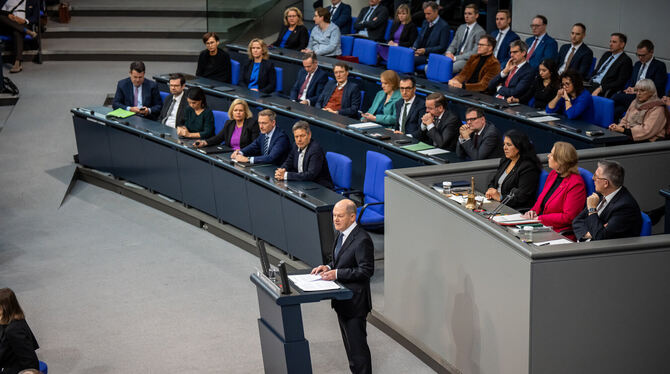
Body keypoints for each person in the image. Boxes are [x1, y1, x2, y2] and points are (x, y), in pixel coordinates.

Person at [311, 199, 374, 374]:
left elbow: (366, 271)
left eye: (340, 216)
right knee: (351, 351)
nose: (335, 220)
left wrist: (337, 274)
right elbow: (340, 260)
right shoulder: (341, 234)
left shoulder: (362, 240)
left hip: (355, 303)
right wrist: (329, 267)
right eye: (334, 216)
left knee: (358, 351)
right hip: (343, 301)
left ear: (352, 217)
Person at [523, 141, 586, 240]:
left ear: (560, 161)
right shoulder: (554, 174)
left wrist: (539, 219)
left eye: (552, 155)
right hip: (542, 226)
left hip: (559, 233)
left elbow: (568, 217)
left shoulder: (576, 184)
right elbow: (542, 199)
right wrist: (533, 211)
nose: (548, 156)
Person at [572, 160, 642, 241]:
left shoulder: (625, 207)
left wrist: (592, 209)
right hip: (586, 243)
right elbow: (577, 221)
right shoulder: (601, 194)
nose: (592, 178)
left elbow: (601, 237)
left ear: (606, 183)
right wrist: (589, 234)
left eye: (596, 176)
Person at [611, 40, 667, 121]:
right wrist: (630, 88)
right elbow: (632, 82)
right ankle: (614, 130)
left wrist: (636, 90)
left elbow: (658, 86)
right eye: (638, 55)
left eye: (643, 55)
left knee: (615, 97)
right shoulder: (637, 64)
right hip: (633, 96)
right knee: (617, 110)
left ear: (651, 52)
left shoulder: (659, 66)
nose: (640, 57)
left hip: (647, 97)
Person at [485, 130, 542, 210]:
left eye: (509, 145)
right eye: (504, 144)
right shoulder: (505, 160)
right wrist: (491, 190)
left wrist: (500, 197)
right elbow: (493, 182)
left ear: (519, 147)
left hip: (512, 208)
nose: (504, 148)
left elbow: (522, 197)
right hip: (496, 203)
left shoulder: (528, 167)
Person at [274, 121, 334, 188]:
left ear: (309, 135)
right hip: (303, 183)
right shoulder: (295, 145)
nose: (299, 140)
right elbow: (288, 162)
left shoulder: (315, 150)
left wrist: (286, 175)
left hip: (319, 187)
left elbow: (310, 175)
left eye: (302, 136)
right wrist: (281, 170)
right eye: (296, 137)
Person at [0, 288, 40, 374]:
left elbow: (30, 361)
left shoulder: (13, 330)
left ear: (4, 307)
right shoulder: (9, 319)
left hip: (15, 369)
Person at [194, 98, 259, 150]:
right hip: (229, 153)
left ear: (245, 112)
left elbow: (254, 145)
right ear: (232, 112)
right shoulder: (229, 123)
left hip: (244, 155)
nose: (238, 113)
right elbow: (219, 138)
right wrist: (205, 142)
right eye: (235, 110)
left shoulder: (252, 124)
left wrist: (241, 152)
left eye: (241, 110)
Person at [444, 4, 486, 73]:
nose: (466, 16)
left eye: (469, 14)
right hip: (454, 56)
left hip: (467, 60)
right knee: (430, 66)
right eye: (465, 13)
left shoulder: (480, 31)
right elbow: (453, 45)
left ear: (476, 15)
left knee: (448, 68)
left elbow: (474, 53)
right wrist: (449, 53)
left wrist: (455, 58)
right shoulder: (461, 27)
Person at [588, 33, 632, 98]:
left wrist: (601, 88)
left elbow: (619, 83)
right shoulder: (607, 54)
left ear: (622, 45)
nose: (610, 44)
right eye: (610, 41)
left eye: (614, 42)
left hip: (603, 88)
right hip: (591, 83)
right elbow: (597, 71)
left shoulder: (626, 60)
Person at [0, 0, 39, 73]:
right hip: (8, 24)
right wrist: (8, 15)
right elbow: (1, 12)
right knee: (1, 16)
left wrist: (25, 21)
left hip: (23, 23)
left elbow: (35, 17)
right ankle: (27, 31)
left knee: (17, 32)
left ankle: (17, 62)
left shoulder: (32, 1)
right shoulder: (7, 1)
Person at [412, 1, 449, 66]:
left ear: (436, 12)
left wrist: (425, 50)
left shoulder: (444, 26)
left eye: (429, 14)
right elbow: (419, 38)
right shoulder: (425, 22)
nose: (426, 16)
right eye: (425, 14)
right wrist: (414, 48)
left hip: (430, 56)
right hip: (420, 53)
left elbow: (442, 47)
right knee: (405, 55)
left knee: (410, 59)